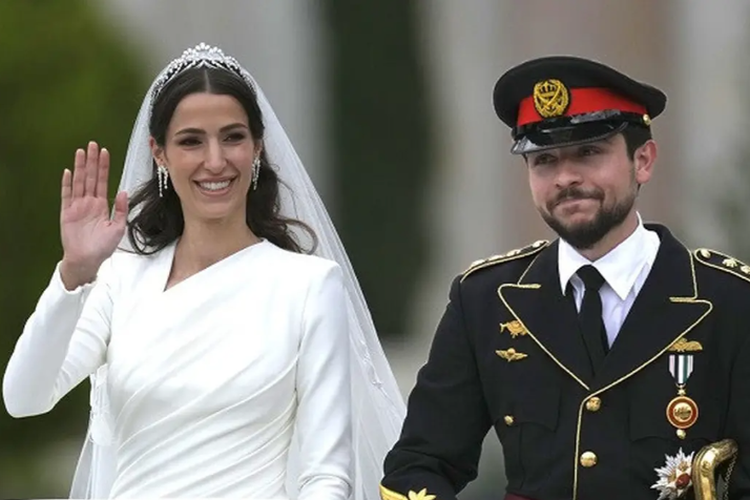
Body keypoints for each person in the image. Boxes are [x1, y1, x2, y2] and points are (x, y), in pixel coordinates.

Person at [2, 43, 406, 499]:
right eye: (191, 141)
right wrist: (74, 273)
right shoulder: (119, 280)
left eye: (232, 137)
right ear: (159, 153)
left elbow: (325, 475)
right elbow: (24, 397)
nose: (215, 161)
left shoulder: (309, 286)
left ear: (257, 148)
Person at [379, 55, 750, 500]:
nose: (565, 178)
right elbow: (420, 465)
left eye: (588, 153)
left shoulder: (728, 300)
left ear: (643, 161)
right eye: (544, 160)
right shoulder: (486, 300)